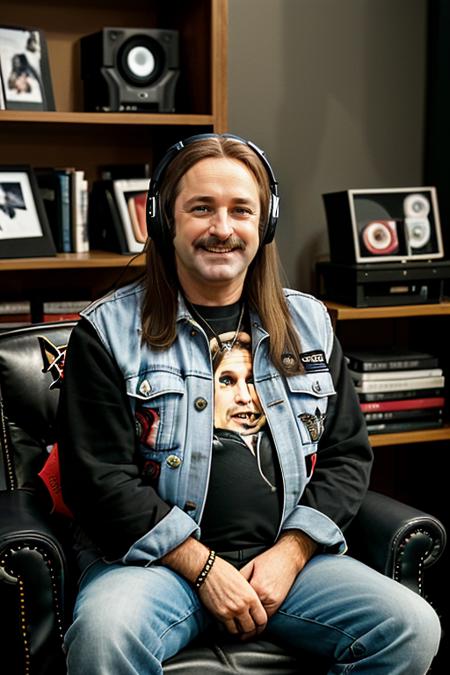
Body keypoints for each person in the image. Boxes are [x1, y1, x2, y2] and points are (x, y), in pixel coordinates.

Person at [58, 133, 441, 674]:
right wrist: (203, 567)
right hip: (153, 567)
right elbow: (98, 481)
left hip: (285, 566)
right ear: (165, 221)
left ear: (265, 224)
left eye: (241, 210)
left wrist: (292, 553)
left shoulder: (309, 325)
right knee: (104, 635)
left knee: (410, 625)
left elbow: (346, 457)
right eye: (201, 209)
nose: (222, 228)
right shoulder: (106, 332)